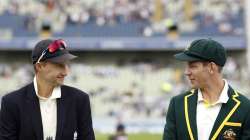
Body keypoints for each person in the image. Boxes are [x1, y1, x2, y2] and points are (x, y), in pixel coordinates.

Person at [0, 39, 95, 140]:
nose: (66, 72)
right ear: (40, 66)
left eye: (67, 64)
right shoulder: (12, 102)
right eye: (60, 65)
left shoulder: (80, 100)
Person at [163, 38, 250, 140]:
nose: (186, 72)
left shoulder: (245, 108)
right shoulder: (177, 104)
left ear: (211, 67)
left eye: (193, 66)